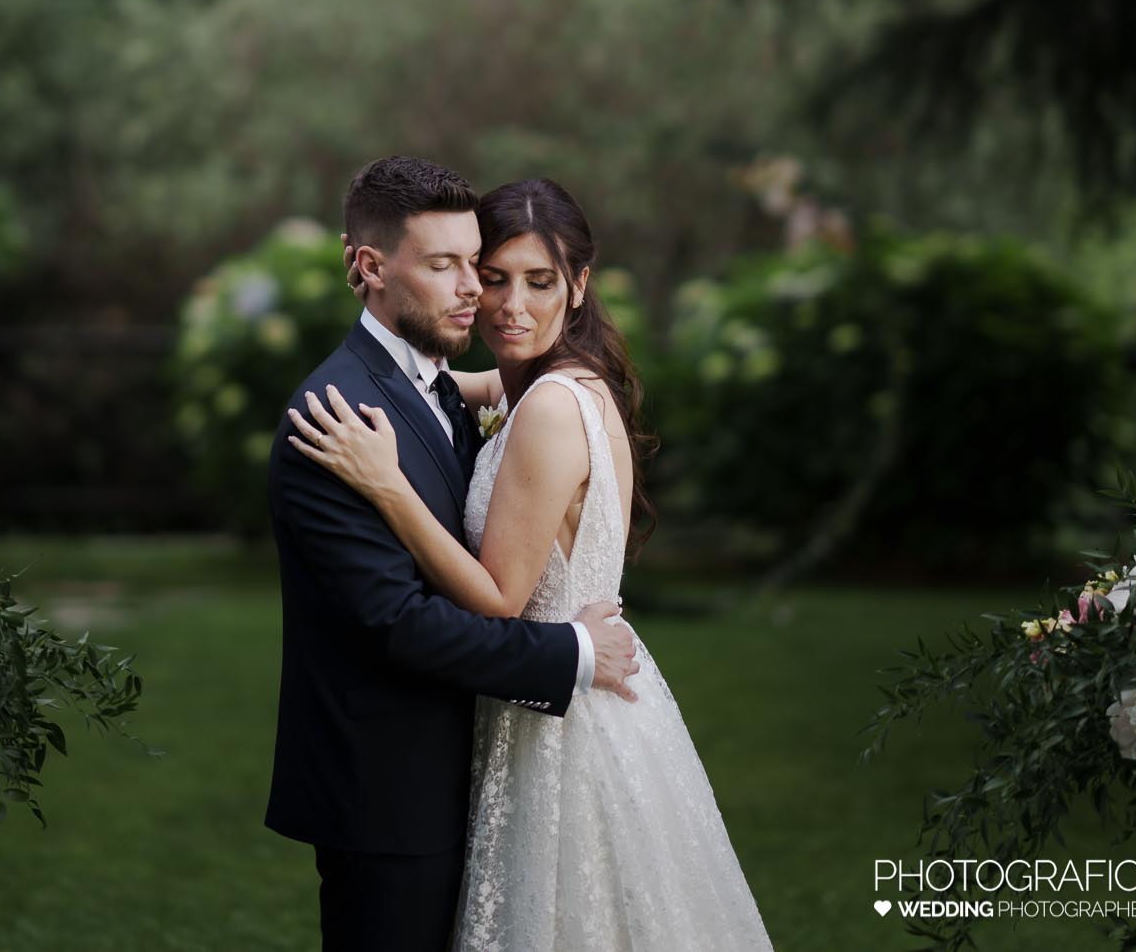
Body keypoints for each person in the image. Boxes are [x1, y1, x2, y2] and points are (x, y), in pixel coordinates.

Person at [289, 175, 775, 951]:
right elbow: (435, 387)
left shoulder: (549, 405)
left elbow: (500, 597)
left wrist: (388, 484)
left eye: (540, 281)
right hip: (563, 701)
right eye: (491, 278)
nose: (511, 304)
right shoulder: (542, 384)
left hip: (559, 721)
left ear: (579, 284)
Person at [264, 157, 642, 952]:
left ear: (577, 284)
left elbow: (487, 398)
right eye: (448, 266)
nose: (477, 289)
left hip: (486, 771)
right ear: (368, 266)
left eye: (479, 263)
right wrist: (571, 650)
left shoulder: (444, 382)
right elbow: (400, 624)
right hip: (388, 796)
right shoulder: (334, 422)